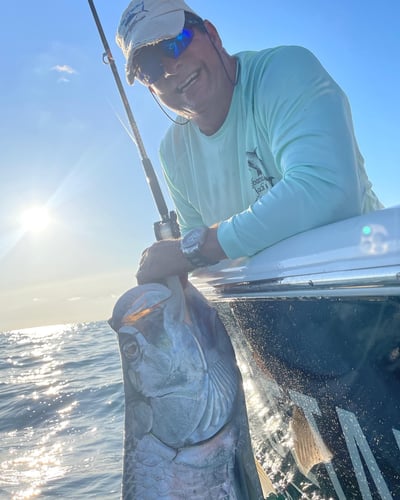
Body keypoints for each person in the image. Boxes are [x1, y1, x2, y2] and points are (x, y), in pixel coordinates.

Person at [116, 0, 383, 285]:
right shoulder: (172, 152)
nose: (169, 69)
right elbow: (199, 259)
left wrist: (192, 250)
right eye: (149, 68)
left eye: (174, 44)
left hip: (372, 284)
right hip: (279, 308)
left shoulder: (285, 70)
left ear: (213, 35)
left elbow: (327, 190)